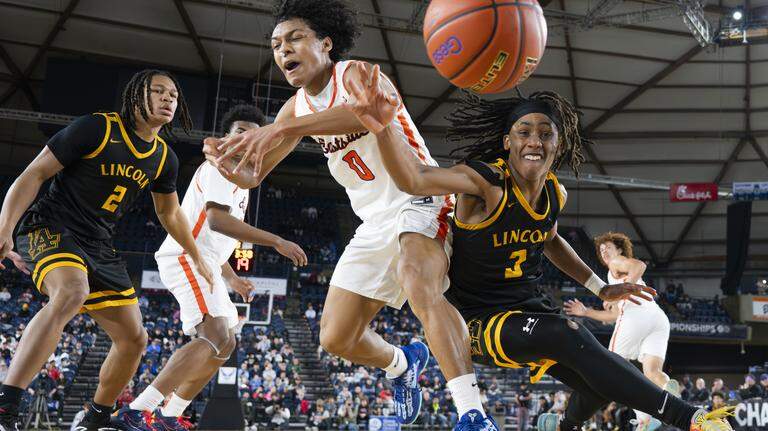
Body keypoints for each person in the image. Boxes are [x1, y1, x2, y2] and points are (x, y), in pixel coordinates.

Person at [339, 63, 736, 431]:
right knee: (570, 336)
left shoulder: (553, 194)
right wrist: (381, 127)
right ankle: (693, 419)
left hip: (525, 306)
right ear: (507, 141)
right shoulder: (485, 183)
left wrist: (599, 287)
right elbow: (414, 179)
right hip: (474, 320)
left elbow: (549, 238)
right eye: (524, 132)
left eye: (545, 133)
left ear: (558, 145)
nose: (535, 141)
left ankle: (560, 427)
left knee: (601, 375)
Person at [204, 1, 492, 429]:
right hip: (373, 221)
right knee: (336, 338)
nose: (284, 50)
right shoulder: (294, 110)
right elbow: (254, 176)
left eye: (295, 38)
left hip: (420, 199)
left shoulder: (355, 73)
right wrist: (227, 165)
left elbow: (365, 111)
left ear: (326, 42)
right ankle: (402, 363)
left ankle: (472, 413)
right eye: (276, 44)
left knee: (417, 279)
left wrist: (284, 128)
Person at [0, 69, 214, 431]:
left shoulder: (164, 158)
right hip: (51, 226)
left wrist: (196, 255)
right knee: (72, 291)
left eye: (173, 95)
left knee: (134, 339)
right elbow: (33, 174)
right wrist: (4, 228)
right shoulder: (96, 128)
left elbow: (169, 213)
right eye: (158, 91)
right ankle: (7, 406)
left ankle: (95, 417)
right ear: (135, 97)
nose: (168, 99)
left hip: (100, 243)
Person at [113, 104, 306, 429]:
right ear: (225, 139)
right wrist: (276, 241)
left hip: (207, 264)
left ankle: (169, 416)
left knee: (226, 343)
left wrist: (232, 279)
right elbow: (217, 221)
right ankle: (137, 410)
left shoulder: (241, 179)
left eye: (251, 133)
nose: (245, 137)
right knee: (214, 334)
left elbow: (213, 239)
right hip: (185, 258)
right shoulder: (219, 167)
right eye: (238, 131)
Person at [563, 231, 678, 430]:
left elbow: (639, 265)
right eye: (601, 249)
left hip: (635, 318)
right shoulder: (614, 276)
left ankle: (643, 419)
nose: (604, 251)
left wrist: (624, 288)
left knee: (610, 369)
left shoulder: (616, 263)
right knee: (652, 372)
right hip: (657, 318)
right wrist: (586, 311)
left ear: (619, 249)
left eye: (608, 247)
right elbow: (614, 315)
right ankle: (668, 392)